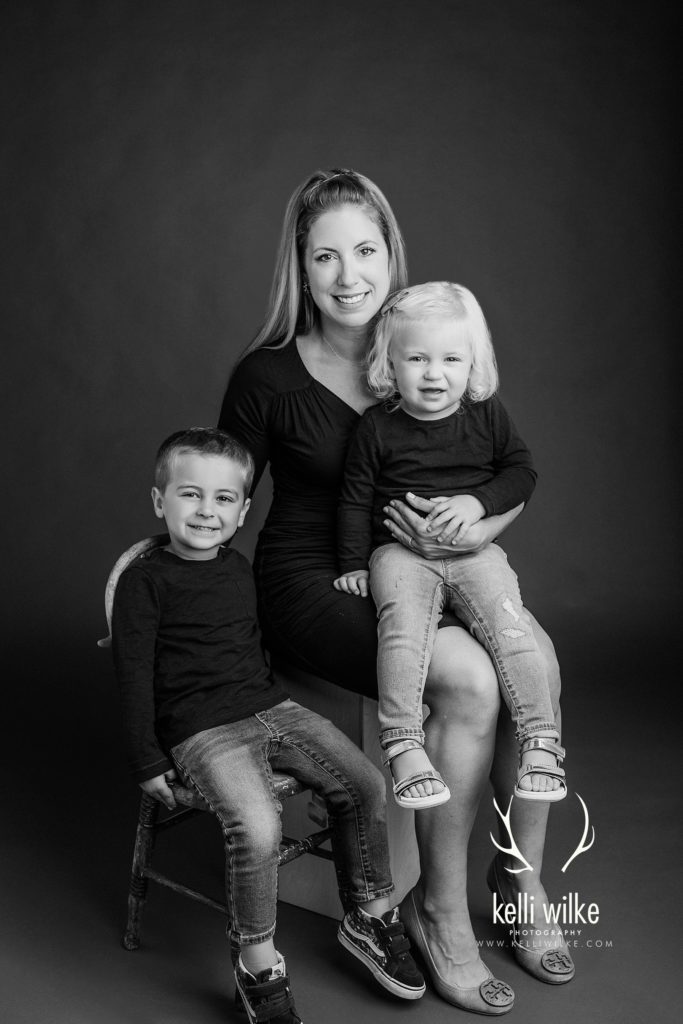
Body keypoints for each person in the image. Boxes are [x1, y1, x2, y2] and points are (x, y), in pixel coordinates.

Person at [219, 168, 575, 1013]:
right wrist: (158, 565)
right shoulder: (266, 377)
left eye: (366, 251)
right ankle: (438, 910)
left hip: (439, 568)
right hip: (319, 578)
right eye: (325, 257)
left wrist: (481, 523)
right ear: (299, 270)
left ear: (391, 254)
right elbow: (221, 492)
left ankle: (520, 884)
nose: (349, 276)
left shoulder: (423, 342)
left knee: (541, 659)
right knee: (469, 679)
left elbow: (502, 466)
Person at [111, 427, 426, 1024]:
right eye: (190, 495)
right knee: (257, 826)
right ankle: (257, 964)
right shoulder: (145, 581)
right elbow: (132, 676)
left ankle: (369, 914)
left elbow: (257, 644)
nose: (207, 511)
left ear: (243, 510)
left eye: (223, 499)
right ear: (160, 501)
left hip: (272, 709)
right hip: (203, 731)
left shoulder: (237, 567)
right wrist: (148, 760)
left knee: (363, 781)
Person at [334, 281, 566, 812]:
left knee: (512, 630)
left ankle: (540, 743)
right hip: (398, 554)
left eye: (450, 359)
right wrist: (352, 562)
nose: (433, 373)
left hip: (475, 553)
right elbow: (353, 499)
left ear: (472, 364)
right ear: (390, 364)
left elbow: (521, 473)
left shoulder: (485, 414)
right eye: (416, 358)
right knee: (403, 632)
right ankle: (404, 744)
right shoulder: (377, 427)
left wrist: (477, 505)